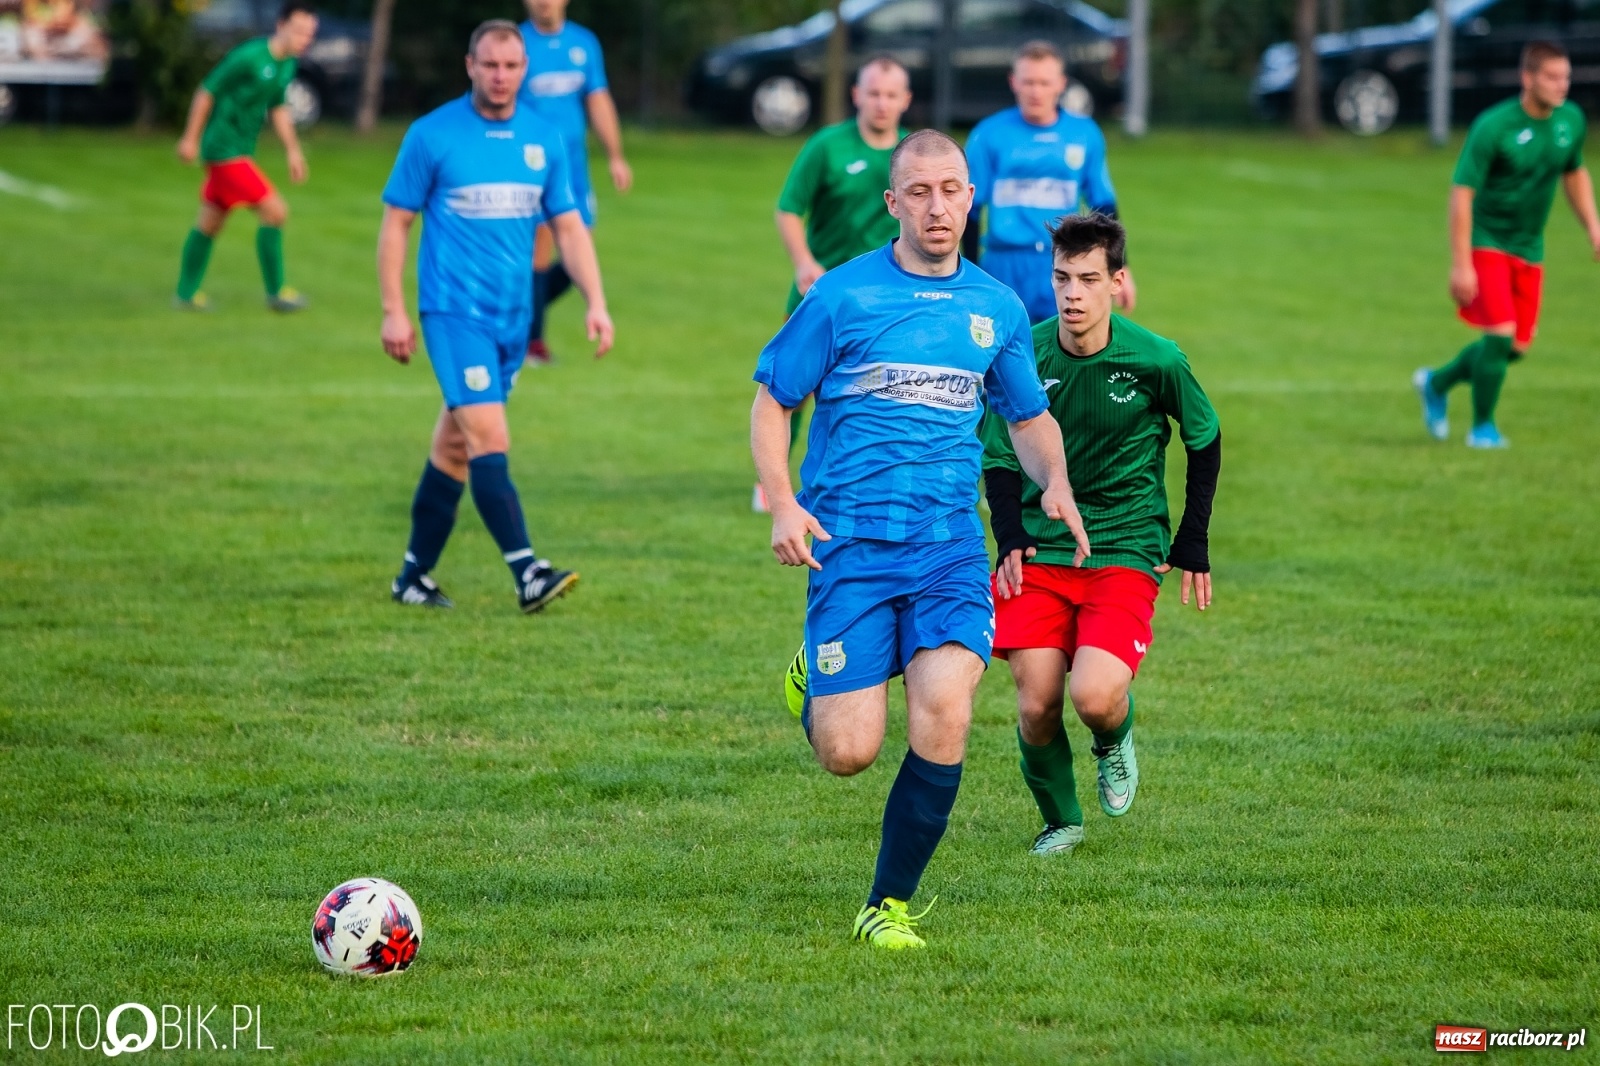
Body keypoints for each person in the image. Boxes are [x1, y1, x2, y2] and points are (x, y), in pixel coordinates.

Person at [753, 130, 1090, 950]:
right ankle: (816, 673)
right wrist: (784, 503)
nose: (938, 207)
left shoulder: (997, 309)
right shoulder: (840, 297)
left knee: (945, 711)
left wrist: (1054, 480)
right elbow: (773, 401)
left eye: (952, 189)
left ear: (971, 198)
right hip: (853, 551)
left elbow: (1026, 414)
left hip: (947, 551)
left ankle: (886, 906)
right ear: (892, 203)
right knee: (848, 752)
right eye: (921, 192)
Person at [980, 213, 1219, 858]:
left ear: (1117, 281)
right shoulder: (1024, 354)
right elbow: (1000, 455)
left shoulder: (1156, 358)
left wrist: (1191, 542)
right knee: (1036, 705)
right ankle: (1062, 821)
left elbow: (1205, 436)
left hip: (1124, 550)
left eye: (1088, 279)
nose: (1073, 294)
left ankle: (1113, 738)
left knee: (1093, 696)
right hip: (1041, 548)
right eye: (1062, 278)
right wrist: (1008, 537)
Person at [378, 19, 613, 613]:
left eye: (511, 66)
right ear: (470, 66)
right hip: (455, 315)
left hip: (512, 322)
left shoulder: (543, 139)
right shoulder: (432, 135)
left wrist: (595, 301)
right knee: (488, 437)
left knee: (454, 448)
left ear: (523, 70)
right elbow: (396, 223)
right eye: (490, 65)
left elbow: (568, 228)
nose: (501, 76)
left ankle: (412, 577)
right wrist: (393, 310)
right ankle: (527, 572)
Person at [1414, 40, 1600, 449]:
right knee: (1499, 335)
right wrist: (1461, 264)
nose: (1561, 85)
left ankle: (1436, 382)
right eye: (1551, 77)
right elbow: (1461, 194)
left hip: (1530, 246)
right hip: (1488, 241)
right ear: (1527, 78)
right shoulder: (1493, 126)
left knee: (1516, 347)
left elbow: (1574, 172)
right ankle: (1483, 428)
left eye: (1565, 76)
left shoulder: (1570, 120)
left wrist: (1594, 227)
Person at [752, 55, 913, 514]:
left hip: (885, 299)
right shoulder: (827, 146)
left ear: (906, 100)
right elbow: (788, 208)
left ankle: (883, 479)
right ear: (857, 95)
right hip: (821, 292)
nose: (881, 103)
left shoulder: (913, 155)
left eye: (891, 94)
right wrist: (804, 262)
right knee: (791, 387)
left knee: (885, 388)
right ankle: (773, 482)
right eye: (873, 93)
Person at [963, 40, 1135, 323]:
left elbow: (1103, 205)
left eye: (1044, 82)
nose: (1036, 91)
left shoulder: (1084, 133)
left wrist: (1121, 267)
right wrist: (969, 273)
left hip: (1063, 263)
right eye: (1028, 82)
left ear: (1061, 84)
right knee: (997, 357)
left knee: (1061, 358)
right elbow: (969, 209)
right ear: (1013, 82)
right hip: (1002, 263)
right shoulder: (988, 134)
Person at [173, 1, 317, 313]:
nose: (304, 39)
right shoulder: (249, 57)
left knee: (210, 221)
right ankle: (276, 292)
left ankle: (185, 294)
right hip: (224, 150)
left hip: (240, 149)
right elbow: (206, 90)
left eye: (309, 34)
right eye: (299, 31)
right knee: (276, 211)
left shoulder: (288, 63)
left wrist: (293, 151)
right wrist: (190, 138)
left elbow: (277, 107)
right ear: (281, 26)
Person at [519, 0, 632, 364]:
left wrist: (615, 155)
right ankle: (532, 341)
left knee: (577, 258)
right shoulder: (516, 46)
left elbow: (598, 102)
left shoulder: (584, 43)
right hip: (531, 167)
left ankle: (515, 313)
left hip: (574, 171)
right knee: (541, 243)